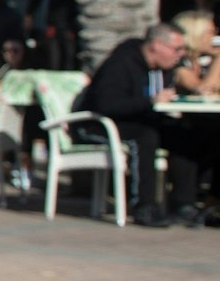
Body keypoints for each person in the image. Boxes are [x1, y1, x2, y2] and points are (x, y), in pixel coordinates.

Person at [77, 24, 216, 228]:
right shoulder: (121, 63)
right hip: (97, 126)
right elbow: (106, 104)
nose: (181, 54)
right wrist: (150, 101)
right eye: (176, 49)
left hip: (139, 119)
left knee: (186, 135)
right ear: (156, 45)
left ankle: (183, 204)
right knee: (145, 136)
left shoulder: (164, 69)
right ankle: (144, 206)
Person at [170, 11, 219, 96]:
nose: (214, 37)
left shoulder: (204, 60)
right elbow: (203, 90)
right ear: (195, 34)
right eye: (211, 32)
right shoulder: (176, 61)